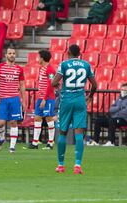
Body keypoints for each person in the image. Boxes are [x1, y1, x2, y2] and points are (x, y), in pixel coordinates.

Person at [51, 44, 97, 174]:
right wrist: (90, 96)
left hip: (66, 100)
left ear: (68, 52)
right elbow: (94, 85)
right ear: (79, 53)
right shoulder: (86, 65)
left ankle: (61, 165)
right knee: (79, 133)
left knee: (63, 132)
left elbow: (54, 82)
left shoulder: (64, 65)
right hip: (80, 100)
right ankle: (77, 165)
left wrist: (60, 88)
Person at [0, 48, 26, 153]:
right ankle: (2, 138)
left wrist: (24, 101)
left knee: (13, 122)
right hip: (3, 98)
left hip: (15, 99)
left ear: (15, 55)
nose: (12, 55)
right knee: (1, 123)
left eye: (13, 53)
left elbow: (22, 85)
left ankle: (12, 147)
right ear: (6, 55)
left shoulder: (19, 69)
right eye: (10, 53)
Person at [28, 50, 56, 150]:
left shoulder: (50, 69)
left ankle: (50, 143)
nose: (37, 59)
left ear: (42, 58)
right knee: (37, 118)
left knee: (49, 118)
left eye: (39, 57)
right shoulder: (42, 68)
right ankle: (35, 142)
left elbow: (51, 84)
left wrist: (44, 98)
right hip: (41, 97)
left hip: (48, 98)